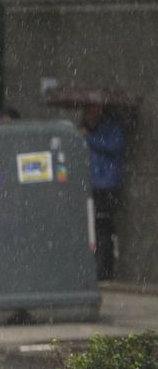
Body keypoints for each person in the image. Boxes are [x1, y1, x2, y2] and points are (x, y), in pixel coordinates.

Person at [81, 103, 126, 280]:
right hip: (93, 184)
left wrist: (88, 138)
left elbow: (114, 147)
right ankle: (98, 268)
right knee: (96, 227)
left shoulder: (109, 128)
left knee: (103, 226)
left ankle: (105, 270)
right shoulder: (90, 128)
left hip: (106, 184)